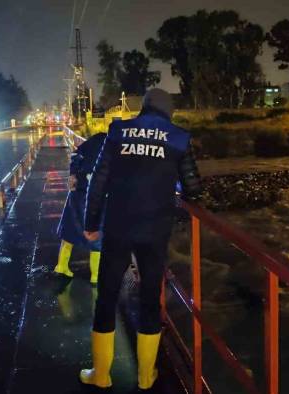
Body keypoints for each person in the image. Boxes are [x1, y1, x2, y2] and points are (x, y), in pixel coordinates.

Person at [79, 88, 201, 389]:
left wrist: (90, 223)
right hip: (154, 231)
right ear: (168, 112)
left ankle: (101, 374)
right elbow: (194, 188)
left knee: (106, 296)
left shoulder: (118, 132)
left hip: (119, 227)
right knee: (150, 299)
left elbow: (100, 181)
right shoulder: (178, 138)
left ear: (143, 108)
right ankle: (147, 377)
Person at [53, 132, 107, 284]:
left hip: (78, 193)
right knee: (97, 235)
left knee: (70, 230)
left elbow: (75, 156)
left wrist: (72, 175)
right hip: (96, 198)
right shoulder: (113, 147)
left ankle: (61, 266)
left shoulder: (91, 143)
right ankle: (96, 275)